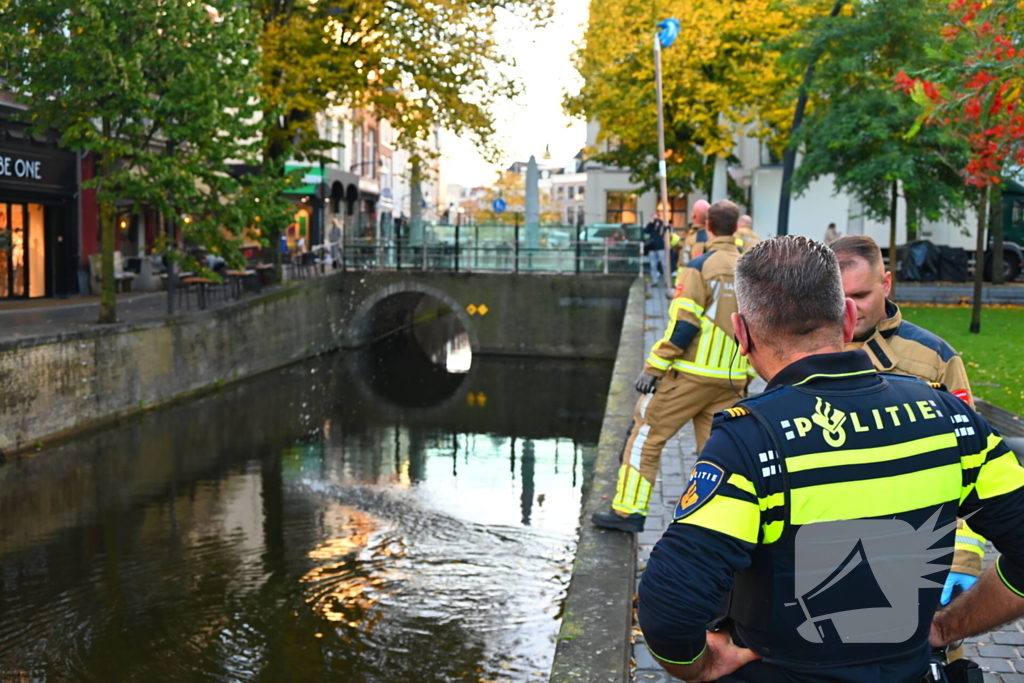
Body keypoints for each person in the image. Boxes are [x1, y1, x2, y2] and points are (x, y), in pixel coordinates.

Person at [637, 235, 1024, 683]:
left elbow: (668, 614)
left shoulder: (750, 440)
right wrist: (947, 626)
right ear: (847, 318)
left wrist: (702, 666)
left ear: (741, 333)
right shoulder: (950, 417)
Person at [831, 234, 983, 609]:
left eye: (861, 295)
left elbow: (971, 463)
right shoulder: (808, 352)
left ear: (886, 284)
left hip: (918, 545)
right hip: (827, 549)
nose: (850, 309)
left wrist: (963, 554)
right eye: (838, 299)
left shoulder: (933, 360)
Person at [592, 200, 753, 533]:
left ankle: (628, 512)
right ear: (737, 229)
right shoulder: (751, 271)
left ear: (707, 227)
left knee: (645, 435)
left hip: (691, 375)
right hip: (733, 379)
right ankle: (713, 525)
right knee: (718, 456)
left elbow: (685, 325)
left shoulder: (699, 266)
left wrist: (654, 366)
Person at [644, 217, 668, 286]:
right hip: (652, 248)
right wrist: (650, 223)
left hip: (661, 248)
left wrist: (661, 224)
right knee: (653, 266)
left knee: (664, 265)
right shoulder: (651, 226)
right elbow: (645, 231)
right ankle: (655, 282)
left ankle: (666, 281)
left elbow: (666, 230)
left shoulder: (662, 226)